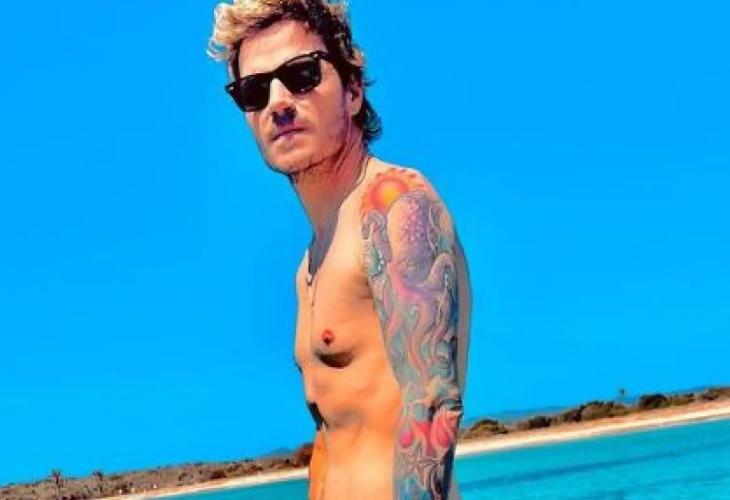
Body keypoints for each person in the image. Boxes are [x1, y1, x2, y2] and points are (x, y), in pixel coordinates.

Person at [208, 1, 471, 498]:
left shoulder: (395, 206)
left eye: (302, 75)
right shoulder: (310, 263)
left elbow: (432, 404)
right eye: (255, 90)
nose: (278, 102)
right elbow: (333, 438)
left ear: (352, 91)